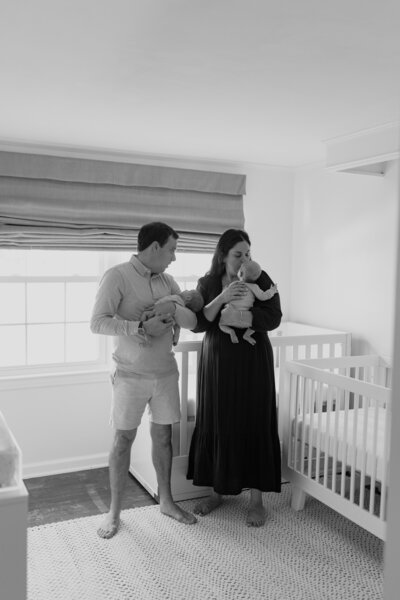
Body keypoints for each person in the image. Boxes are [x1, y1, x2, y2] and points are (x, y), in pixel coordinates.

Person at [90, 221, 198, 538]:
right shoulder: (117, 276)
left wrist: (176, 305)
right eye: (172, 250)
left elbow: (190, 320)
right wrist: (139, 327)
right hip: (129, 375)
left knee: (163, 437)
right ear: (154, 248)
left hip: (165, 373)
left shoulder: (169, 281)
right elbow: (97, 322)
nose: (174, 258)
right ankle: (114, 512)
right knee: (123, 441)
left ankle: (166, 501)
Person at [187, 229, 282, 527]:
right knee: (220, 419)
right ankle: (217, 492)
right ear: (223, 256)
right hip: (220, 360)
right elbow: (200, 322)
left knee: (255, 418)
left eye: (248, 254)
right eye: (238, 254)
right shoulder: (209, 282)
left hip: (254, 358)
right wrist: (223, 298)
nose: (245, 259)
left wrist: (244, 318)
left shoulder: (260, 278)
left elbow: (274, 316)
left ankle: (257, 500)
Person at [219, 259, 278, 345]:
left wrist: (224, 289)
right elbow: (263, 297)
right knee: (257, 323)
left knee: (221, 325)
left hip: (229, 315)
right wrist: (272, 291)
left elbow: (225, 296)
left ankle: (231, 332)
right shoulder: (254, 286)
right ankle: (246, 335)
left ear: (241, 273)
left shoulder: (233, 284)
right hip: (246, 318)